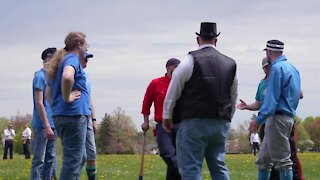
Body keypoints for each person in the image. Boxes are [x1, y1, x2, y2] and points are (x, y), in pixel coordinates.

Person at [163, 22, 238, 180]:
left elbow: (173, 89)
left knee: (191, 169)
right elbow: (233, 94)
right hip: (220, 122)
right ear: (216, 41)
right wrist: (228, 117)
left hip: (194, 123)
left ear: (198, 39)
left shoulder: (189, 61)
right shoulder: (231, 64)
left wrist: (167, 116)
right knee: (219, 167)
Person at [237, 57, 304, 179]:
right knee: (264, 160)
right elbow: (259, 103)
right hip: (266, 122)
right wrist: (247, 106)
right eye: (267, 66)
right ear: (263, 68)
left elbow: (299, 94)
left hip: (280, 120)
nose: (269, 68)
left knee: (286, 159)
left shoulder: (281, 77)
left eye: (271, 65)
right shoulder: (262, 84)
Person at [250, 40, 301, 180]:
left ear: (269, 51)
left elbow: (271, 100)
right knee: (263, 160)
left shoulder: (276, 69)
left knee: (283, 162)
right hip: (288, 117)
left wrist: (258, 119)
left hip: (276, 118)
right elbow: (298, 94)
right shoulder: (293, 69)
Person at [45, 32, 90, 180]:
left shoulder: (59, 62)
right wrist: (67, 97)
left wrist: (58, 108)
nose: (87, 48)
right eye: (86, 45)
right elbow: (67, 76)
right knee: (72, 161)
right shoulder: (72, 60)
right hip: (74, 116)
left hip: (62, 116)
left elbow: (48, 94)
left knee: (80, 156)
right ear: (78, 44)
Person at [141, 58, 181, 180]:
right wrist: (146, 121)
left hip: (180, 124)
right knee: (166, 153)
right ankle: (186, 173)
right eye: (176, 68)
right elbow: (146, 103)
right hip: (162, 124)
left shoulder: (182, 82)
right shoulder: (156, 83)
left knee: (177, 157)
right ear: (168, 68)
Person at [31, 47, 58, 180]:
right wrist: (47, 126)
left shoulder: (51, 78)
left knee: (50, 159)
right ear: (48, 60)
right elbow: (39, 103)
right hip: (42, 125)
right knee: (39, 160)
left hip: (53, 123)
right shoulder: (39, 77)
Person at [79, 52, 98, 180]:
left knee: (91, 154)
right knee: (78, 155)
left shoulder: (86, 76)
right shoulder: (70, 72)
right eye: (86, 57)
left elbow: (90, 99)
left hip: (88, 119)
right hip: (76, 118)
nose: (87, 60)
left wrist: (94, 119)